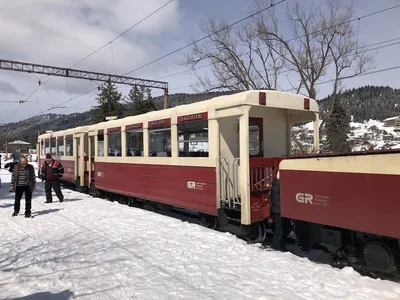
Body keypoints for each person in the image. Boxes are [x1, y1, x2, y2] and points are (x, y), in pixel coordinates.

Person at [268, 171, 291, 251]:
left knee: (282, 229)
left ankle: (281, 246)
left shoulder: (275, 185)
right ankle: (274, 246)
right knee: (280, 230)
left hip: (278, 210)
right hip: (279, 210)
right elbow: (280, 199)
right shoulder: (278, 186)